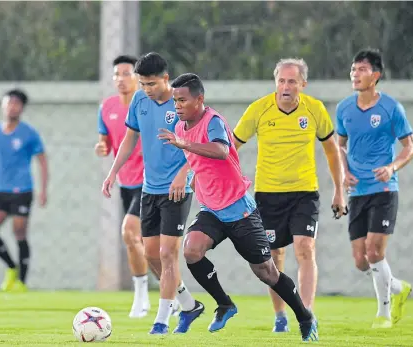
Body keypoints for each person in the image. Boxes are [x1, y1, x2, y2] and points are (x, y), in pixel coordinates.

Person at [158, 72, 318, 342]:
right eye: (175, 101)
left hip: (239, 209)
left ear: (199, 99)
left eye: (182, 100)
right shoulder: (180, 129)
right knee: (192, 250)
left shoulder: (213, 121)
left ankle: (304, 316)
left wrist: (184, 145)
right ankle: (225, 304)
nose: (177, 106)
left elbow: (221, 150)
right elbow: (197, 160)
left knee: (266, 272)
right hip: (211, 210)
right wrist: (190, 176)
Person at [232, 58, 346, 332]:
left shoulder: (315, 109)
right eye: (281, 81)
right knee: (272, 257)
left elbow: (332, 151)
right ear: (275, 83)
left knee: (305, 248)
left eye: (292, 81)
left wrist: (340, 191)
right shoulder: (258, 110)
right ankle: (281, 314)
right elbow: (230, 148)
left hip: (304, 192)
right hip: (268, 194)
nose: (286, 86)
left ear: (302, 84)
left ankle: (306, 316)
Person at [102, 52, 203, 335]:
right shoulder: (139, 100)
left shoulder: (182, 102)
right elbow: (129, 138)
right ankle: (188, 304)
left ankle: (161, 321)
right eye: (143, 84)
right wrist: (112, 172)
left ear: (166, 79)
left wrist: (184, 175)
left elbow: (197, 143)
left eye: (151, 84)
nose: (146, 89)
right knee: (151, 254)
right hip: (150, 188)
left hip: (177, 189)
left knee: (168, 253)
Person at [336, 49, 413, 328]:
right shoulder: (344, 108)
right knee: (360, 261)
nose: (355, 74)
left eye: (361, 69)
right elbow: (339, 144)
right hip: (357, 193)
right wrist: (344, 172)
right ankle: (396, 286)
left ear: (376, 75)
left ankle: (383, 315)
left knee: (374, 252)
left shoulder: (392, 108)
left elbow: (410, 146)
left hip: (384, 190)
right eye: (353, 69)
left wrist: (392, 167)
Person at [0, 89, 48, 293]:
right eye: (9, 103)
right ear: (3, 106)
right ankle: (11, 267)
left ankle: (22, 281)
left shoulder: (29, 133)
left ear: (22, 108)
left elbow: (42, 161)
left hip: (22, 190)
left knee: (20, 232)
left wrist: (43, 190)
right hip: (0, 191)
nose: (12, 107)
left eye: (16, 104)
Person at [94, 55, 151, 318]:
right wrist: (102, 146)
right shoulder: (106, 107)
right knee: (147, 245)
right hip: (126, 183)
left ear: (138, 78)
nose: (121, 79)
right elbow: (105, 141)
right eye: (117, 74)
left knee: (130, 232)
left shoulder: (150, 105)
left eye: (126, 73)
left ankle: (142, 297)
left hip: (152, 182)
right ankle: (169, 296)